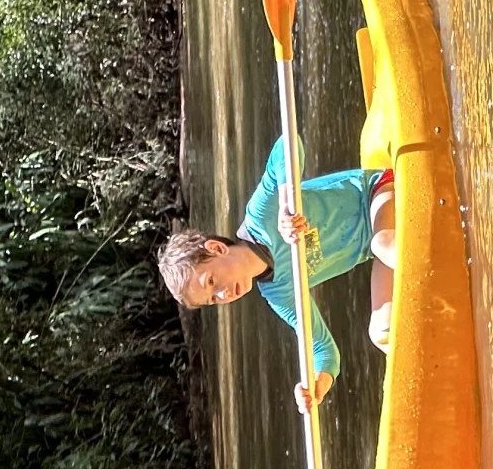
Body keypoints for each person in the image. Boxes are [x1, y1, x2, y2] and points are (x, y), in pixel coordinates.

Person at [160, 135, 396, 411]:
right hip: (373, 248)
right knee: (380, 332)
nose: (223, 294)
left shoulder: (261, 215)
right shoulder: (279, 294)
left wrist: (286, 204)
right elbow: (323, 351)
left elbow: (289, 143)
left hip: (376, 194)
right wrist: (318, 385)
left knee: (382, 243)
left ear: (216, 249)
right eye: (213, 298)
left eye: (211, 281)